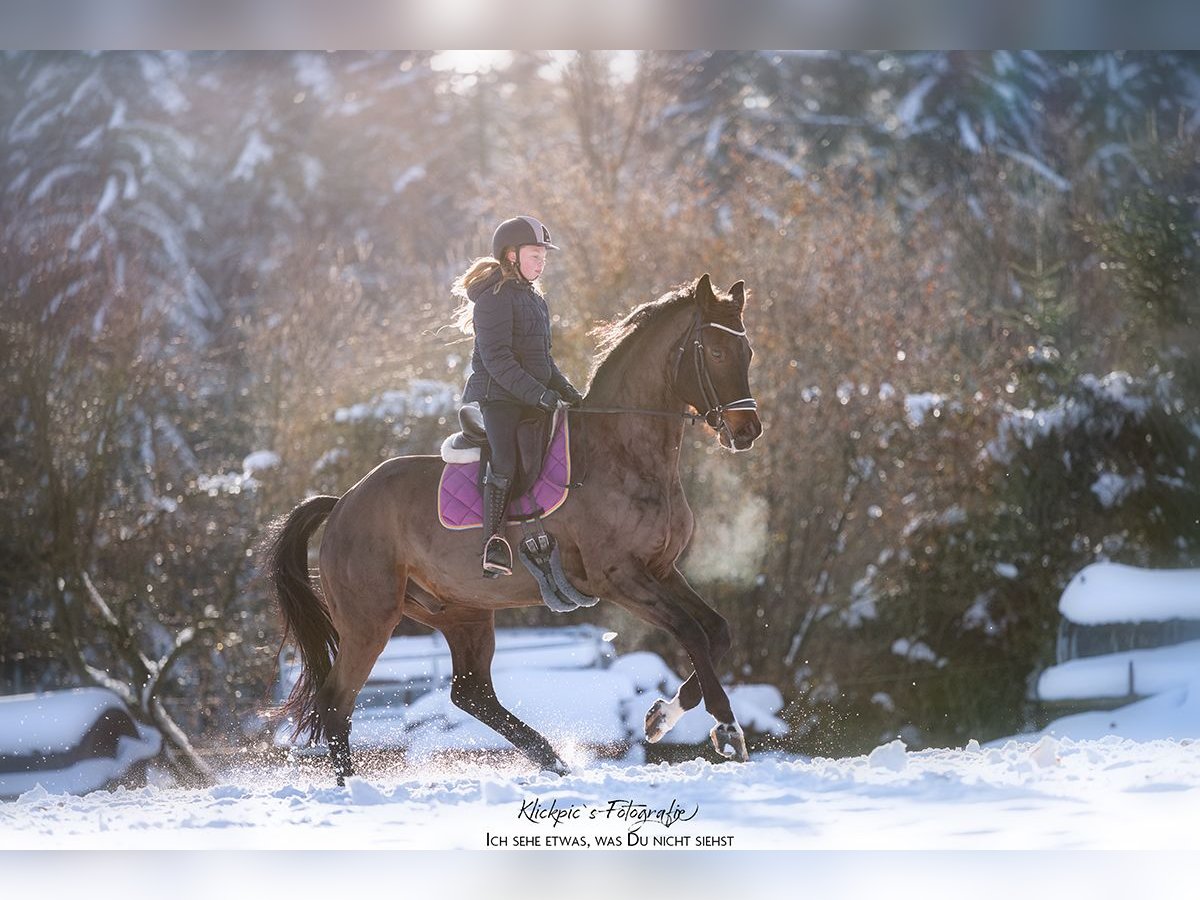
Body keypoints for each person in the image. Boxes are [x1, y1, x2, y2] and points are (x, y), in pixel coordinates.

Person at [450, 216, 584, 578]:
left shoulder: (536, 300)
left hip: (529, 394)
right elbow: (498, 361)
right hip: (497, 396)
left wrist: (568, 392)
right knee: (506, 460)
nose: (541, 263)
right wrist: (539, 395)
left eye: (544, 257)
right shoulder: (492, 300)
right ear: (511, 255)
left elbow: (544, 361)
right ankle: (493, 541)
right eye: (535, 255)